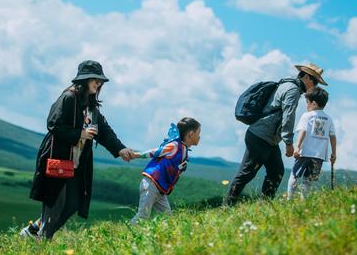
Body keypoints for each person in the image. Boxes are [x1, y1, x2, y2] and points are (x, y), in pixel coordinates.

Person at [20, 60, 136, 240]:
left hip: (76, 164)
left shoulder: (92, 107)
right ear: (84, 80)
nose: (98, 84)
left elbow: (104, 131)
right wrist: (80, 134)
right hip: (57, 159)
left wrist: (120, 149)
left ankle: (35, 231)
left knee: (73, 203)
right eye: (95, 80)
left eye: (100, 81)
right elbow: (53, 124)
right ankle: (42, 240)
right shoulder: (68, 98)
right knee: (55, 205)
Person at [224, 63, 328, 205]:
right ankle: (228, 205)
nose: (315, 86)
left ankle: (264, 205)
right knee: (246, 173)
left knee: (276, 171)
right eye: (315, 82)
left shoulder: (287, 84)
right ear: (306, 77)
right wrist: (289, 143)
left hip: (268, 139)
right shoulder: (293, 90)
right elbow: (288, 117)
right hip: (261, 137)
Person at [130, 117, 201, 224]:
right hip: (151, 184)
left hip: (160, 190)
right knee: (143, 216)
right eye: (198, 133)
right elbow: (156, 152)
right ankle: (128, 234)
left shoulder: (183, 150)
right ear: (191, 134)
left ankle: (167, 239)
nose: (199, 137)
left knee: (167, 220)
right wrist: (137, 155)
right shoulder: (175, 146)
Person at [287, 87, 336, 199]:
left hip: (304, 152)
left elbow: (302, 131)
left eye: (307, 102)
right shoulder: (329, 119)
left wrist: (297, 147)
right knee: (308, 179)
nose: (306, 105)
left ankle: (289, 199)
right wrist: (334, 153)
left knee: (294, 175)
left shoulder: (307, 116)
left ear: (313, 104)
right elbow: (332, 136)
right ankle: (304, 200)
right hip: (319, 155)